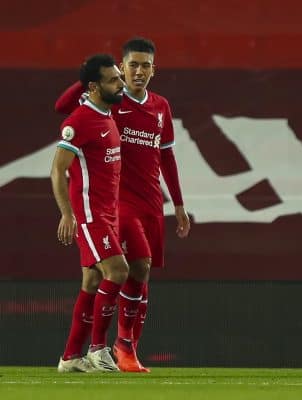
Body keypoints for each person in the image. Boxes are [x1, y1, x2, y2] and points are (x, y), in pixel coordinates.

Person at [55, 37, 191, 372]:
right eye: (131, 66)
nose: (138, 72)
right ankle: (114, 346)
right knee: (130, 268)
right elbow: (64, 109)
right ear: (121, 67)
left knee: (106, 277)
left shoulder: (160, 107)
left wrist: (178, 203)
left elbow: (167, 156)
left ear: (154, 69)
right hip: (113, 204)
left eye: (145, 65)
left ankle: (76, 354)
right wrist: (94, 73)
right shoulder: (108, 101)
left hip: (149, 203)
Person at [52, 54, 127, 372]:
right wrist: (67, 215)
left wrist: (106, 73)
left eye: (119, 77)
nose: (120, 83)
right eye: (113, 79)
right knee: (119, 271)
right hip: (89, 214)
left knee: (92, 279)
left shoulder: (106, 112)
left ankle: (70, 357)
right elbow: (57, 171)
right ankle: (98, 349)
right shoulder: (78, 121)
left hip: (107, 213)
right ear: (94, 86)